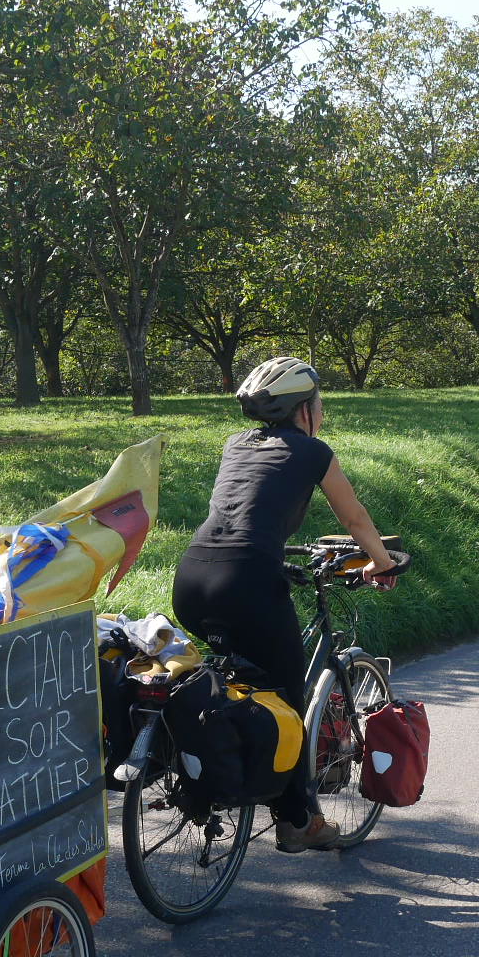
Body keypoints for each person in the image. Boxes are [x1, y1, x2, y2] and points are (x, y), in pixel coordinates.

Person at [173, 356, 397, 853]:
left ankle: (212, 761)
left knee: (233, 679)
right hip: (248, 581)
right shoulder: (314, 452)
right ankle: (297, 821)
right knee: (289, 702)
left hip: (192, 578)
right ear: (305, 410)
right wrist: (380, 563)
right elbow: (356, 519)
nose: (322, 411)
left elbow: (247, 511)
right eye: (320, 403)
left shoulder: (235, 445)